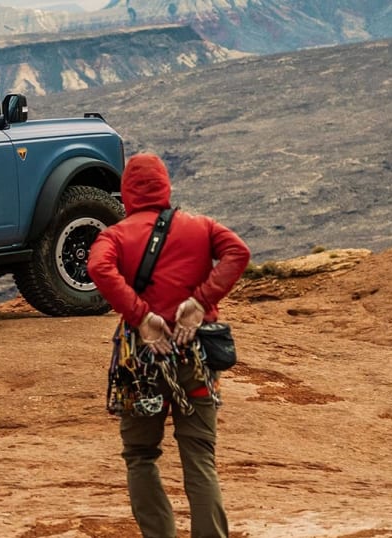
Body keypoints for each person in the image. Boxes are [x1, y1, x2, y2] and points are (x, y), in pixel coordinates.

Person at [86, 154, 251, 538]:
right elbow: (238, 252)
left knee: (141, 456)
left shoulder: (115, 236)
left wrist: (142, 317)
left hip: (140, 366)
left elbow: (98, 268)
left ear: (127, 192)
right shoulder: (201, 227)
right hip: (197, 360)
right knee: (200, 458)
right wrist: (200, 302)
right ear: (165, 186)